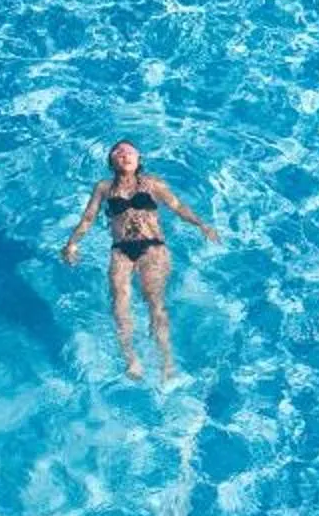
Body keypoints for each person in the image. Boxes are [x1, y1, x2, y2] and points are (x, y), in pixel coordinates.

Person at [60, 141, 220, 382]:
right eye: (118, 151)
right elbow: (88, 218)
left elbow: (177, 206)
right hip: (121, 250)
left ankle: (166, 363)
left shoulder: (152, 183)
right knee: (119, 302)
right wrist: (72, 243)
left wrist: (201, 225)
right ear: (111, 161)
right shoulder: (104, 187)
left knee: (154, 302)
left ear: (139, 158)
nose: (124, 154)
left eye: (129, 151)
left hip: (152, 248)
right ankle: (132, 359)